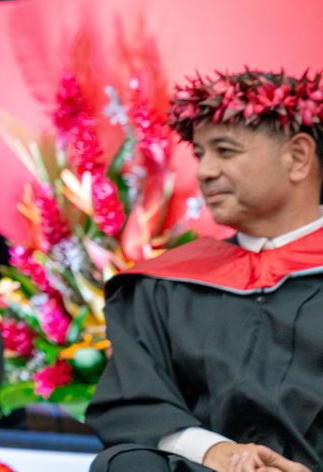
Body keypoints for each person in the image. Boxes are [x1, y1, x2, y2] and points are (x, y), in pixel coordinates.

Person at [87, 69, 323, 472]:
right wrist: (216, 451)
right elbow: (134, 402)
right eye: (200, 154)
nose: (204, 172)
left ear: (298, 157)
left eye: (225, 151)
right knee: (127, 464)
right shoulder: (167, 285)